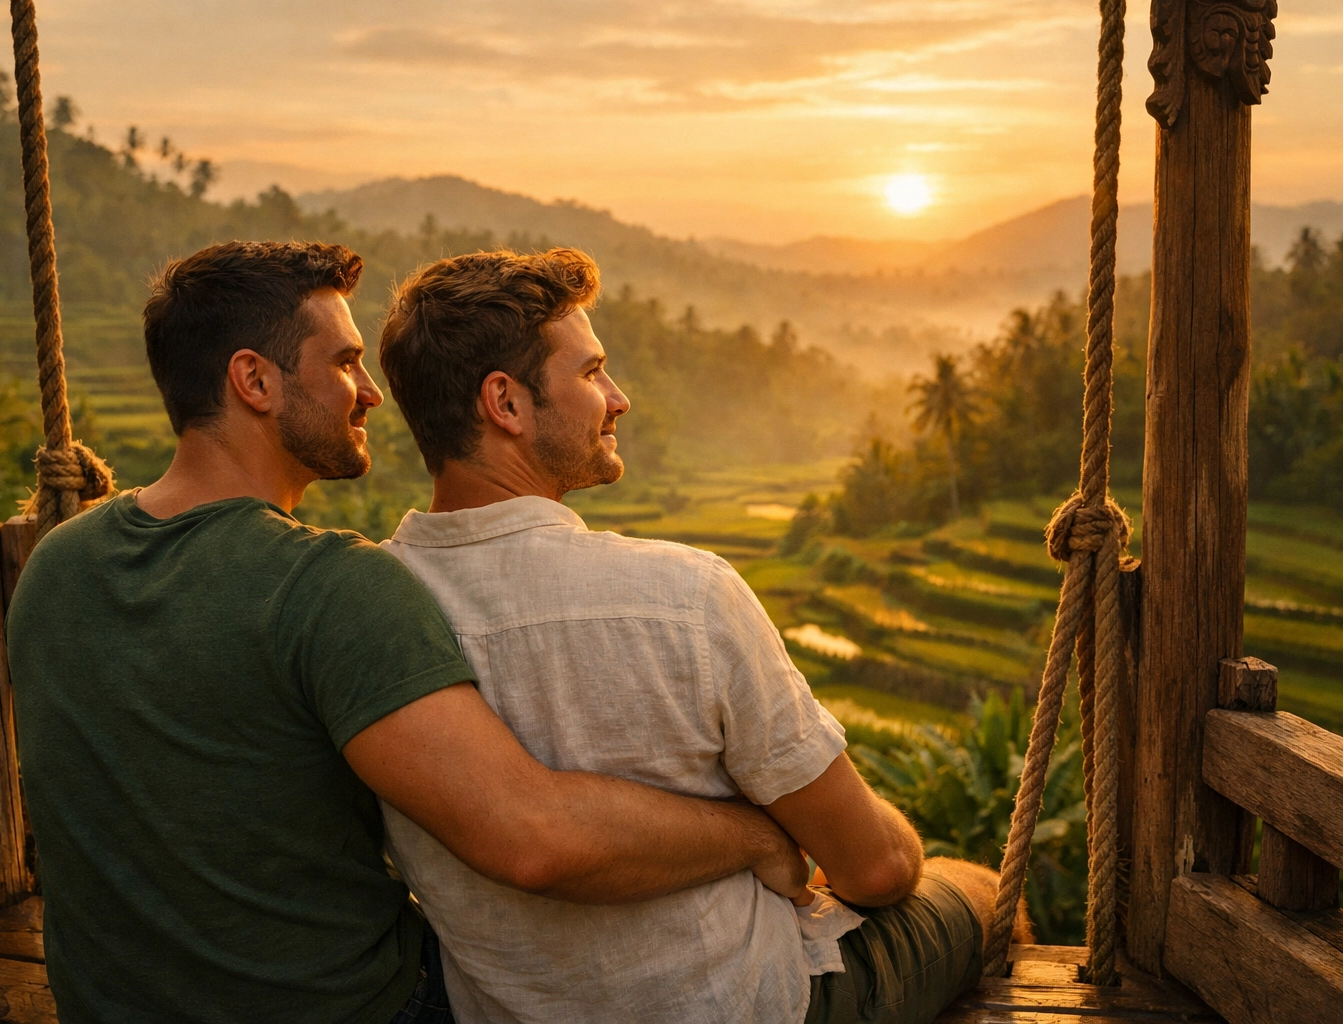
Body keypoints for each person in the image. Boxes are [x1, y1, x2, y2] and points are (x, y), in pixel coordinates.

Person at [6, 240, 812, 1024]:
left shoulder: (59, 563)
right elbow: (534, 839)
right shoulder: (324, 585)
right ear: (253, 380)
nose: (370, 392)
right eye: (344, 363)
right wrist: (752, 837)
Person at [375, 248, 1029, 1024]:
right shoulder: (684, 597)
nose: (619, 398)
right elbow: (876, 869)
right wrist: (774, 838)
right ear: (505, 404)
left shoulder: (367, 608)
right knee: (982, 891)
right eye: (590, 374)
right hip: (745, 1002)